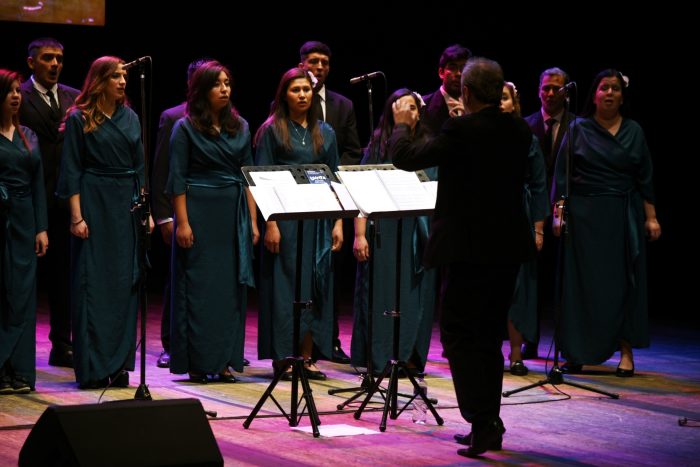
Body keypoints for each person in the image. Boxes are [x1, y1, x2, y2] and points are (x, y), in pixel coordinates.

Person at [389, 57, 535, 458]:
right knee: (488, 336)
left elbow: (405, 156)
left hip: (469, 249)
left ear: (466, 92)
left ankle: (482, 420)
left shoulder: (461, 128)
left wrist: (402, 122)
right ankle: (490, 422)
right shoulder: (519, 129)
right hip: (506, 248)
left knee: (458, 334)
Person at [552, 69, 661, 377]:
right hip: (584, 220)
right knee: (580, 286)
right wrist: (559, 215)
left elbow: (645, 178)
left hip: (621, 216)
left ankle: (625, 352)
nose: (609, 93)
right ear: (595, 94)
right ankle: (575, 352)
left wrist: (651, 217)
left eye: (615, 88)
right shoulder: (577, 128)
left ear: (623, 96)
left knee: (624, 283)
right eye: (604, 88)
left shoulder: (634, 131)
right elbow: (561, 176)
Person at [57, 56, 152, 390]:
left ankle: (118, 364)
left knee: (124, 284)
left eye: (124, 76)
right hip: (95, 202)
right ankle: (94, 365)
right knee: (93, 285)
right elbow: (71, 170)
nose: (123, 82)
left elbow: (140, 167)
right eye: (115, 76)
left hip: (125, 205)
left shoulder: (131, 117)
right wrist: (76, 216)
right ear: (99, 81)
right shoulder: (79, 119)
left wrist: (147, 210)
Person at [166, 61, 258, 383]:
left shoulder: (241, 126)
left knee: (228, 291)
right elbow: (176, 179)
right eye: (217, 84)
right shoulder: (185, 127)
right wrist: (184, 223)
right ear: (203, 90)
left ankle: (222, 360)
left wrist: (253, 221)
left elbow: (248, 177)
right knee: (199, 290)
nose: (225, 89)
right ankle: (197, 360)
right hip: (200, 214)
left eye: (228, 83)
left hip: (231, 214)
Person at [254, 67, 343, 381]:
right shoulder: (272, 130)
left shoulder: (326, 132)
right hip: (286, 219)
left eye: (307, 89)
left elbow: (334, 179)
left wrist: (337, 224)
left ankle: (307, 355)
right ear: (284, 95)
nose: (303, 95)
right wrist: (272, 224)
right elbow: (261, 181)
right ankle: (284, 356)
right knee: (285, 287)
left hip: (318, 220)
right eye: (296, 90)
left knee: (315, 287)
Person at [351, 88, 437, 376]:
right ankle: (380, 356)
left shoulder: (429, 144)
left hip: (419, 230)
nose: (409, 112)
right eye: (403, 107)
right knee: (382, 293)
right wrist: (359, 234)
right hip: (384, 231)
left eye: (414, 107)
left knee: (416, 296)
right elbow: (360, 194)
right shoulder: (378, 145)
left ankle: (409, 355)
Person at [299, 40, 361, 364]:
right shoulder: (288, 99)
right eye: (313, 60)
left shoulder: (343, 105)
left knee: (328, 271)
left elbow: (352, 149)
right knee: (302, 272)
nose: (319, 66)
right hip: (299, 196)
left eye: (324, 61)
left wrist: (332, 175)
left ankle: (330, 340)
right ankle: (298, 343)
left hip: (331, 191)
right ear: (301, 64)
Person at [19, 37, 79, 369]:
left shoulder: (73, 97)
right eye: (47, 58)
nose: (54, 64)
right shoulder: (18, 96)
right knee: (25, 276)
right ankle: (17, 346)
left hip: (63, 199)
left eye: (58, 58)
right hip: (29, 198)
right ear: (32, 62)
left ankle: (63, 343)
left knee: (63, 276)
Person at [150, 57, 214, 369]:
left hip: (212, 212)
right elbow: (163, 169)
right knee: (177, 278)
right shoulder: (173, 116)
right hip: (180, 210)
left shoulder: (225, 119)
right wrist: (164, 216)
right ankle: (170, 343)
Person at [522, 67, 576, 359]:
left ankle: (566, 342)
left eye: (557, 88)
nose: (551, 93)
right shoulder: (526, 124)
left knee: (564, 281)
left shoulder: (578, 126)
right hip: (532, 213)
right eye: (546, 88)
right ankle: (529, 339)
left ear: (567, 91)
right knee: (533, 281)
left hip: (566, 214)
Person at [0, 69, 49, 394]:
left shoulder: (29, 135)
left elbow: (38, 184)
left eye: (19, 90)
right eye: (10, 91)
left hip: (24, 219)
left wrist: (41, 227)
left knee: (22, 295)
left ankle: (20, 370)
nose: (17, 96)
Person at [500, 81, 548, 376]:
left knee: (518, 288)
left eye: (505, 98)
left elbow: (540, 183)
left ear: (514, 103)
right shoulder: (480, 134)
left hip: (519, 213)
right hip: (486, 215)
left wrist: (539, 229)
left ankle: (516, 353)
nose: (501, 102)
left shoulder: (526, 137)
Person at [421, 44, 472, 135]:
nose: (459, 74)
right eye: (452, 67)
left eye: (463, 68)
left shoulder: (474, 106)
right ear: (441, 73)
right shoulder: (422, 105)